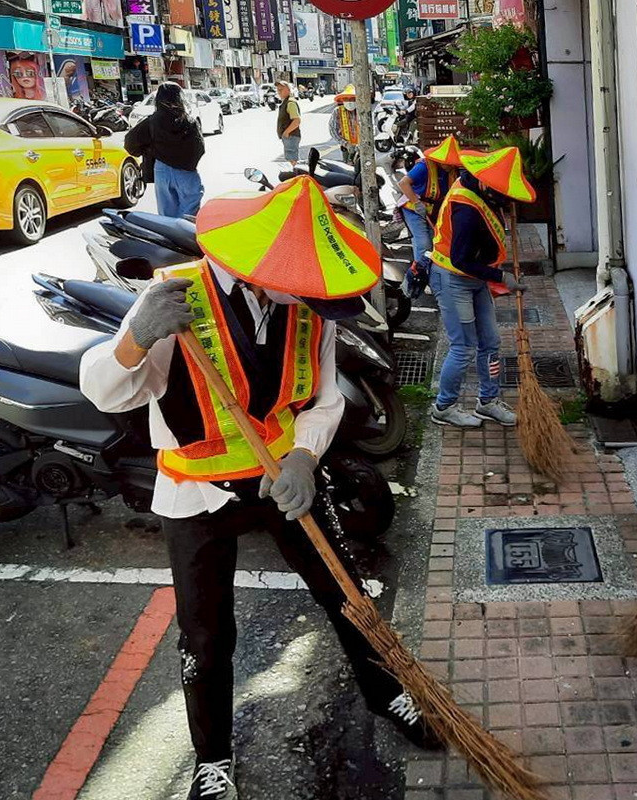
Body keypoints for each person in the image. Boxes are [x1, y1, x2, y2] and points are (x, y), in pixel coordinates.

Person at [80, 182, 438, 800]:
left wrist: (304, 455)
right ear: (266, 271)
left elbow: (324, 398)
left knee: (345, 591)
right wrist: (135, 335)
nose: (314, 301)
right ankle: (212, 758)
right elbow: (107, 392)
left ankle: (388, 695)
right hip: (197, 491)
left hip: (283, 480)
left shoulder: (309, 307)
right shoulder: (175, 300)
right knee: (206, 632)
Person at [427, 147, 537, 429]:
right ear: (487, 186)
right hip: (453, 279)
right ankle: (445, 406)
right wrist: (501, 277)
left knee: (490, 342)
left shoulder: (477, 184)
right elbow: (460, 260)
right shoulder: (466, 210)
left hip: (475, 279)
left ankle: (488, 401)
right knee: (463, 347)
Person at [124, 82, 205, 218]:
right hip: (186, 172)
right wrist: (186, 163)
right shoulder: (189, 121)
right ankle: (186, 236)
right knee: (190, 215)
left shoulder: (151, 122)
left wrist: (150, 150)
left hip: (162, 171)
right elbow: (200, 148)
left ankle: (172, 238)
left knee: (167, 217)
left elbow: (130, 143)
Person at [396, 135, 462, 294]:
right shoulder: (424, 167)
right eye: (448, 163)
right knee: (423, 243)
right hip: (413, 208)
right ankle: (417, 279)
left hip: (433, 210)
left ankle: (434, 276)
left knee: (437, 242)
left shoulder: (452, 171)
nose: (450, 166)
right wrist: (417, 203)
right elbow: (403, 183)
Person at [329, 84, 359, 164]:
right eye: (347, 99)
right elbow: (332, 130)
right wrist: (345, 143)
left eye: (352, 99)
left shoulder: (361, 111)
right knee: (348, 169)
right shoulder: (337, 111)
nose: (349, 101)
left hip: (362, 147)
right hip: (346, 148)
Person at [275, 80, 301, 166]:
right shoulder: (286, 102)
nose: (279, 92)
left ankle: (296, 177)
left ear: (289, 90)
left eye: (281, 89)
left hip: (291, 136)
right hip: (289, 136)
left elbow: (296, 120)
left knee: (292, 160)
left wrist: (286, 132)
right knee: (291, 159)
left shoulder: (290, 102)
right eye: (278, 90)